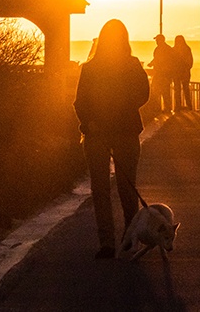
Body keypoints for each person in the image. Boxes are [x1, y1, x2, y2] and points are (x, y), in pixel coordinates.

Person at [73, 18, 151, 259]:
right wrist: (122, 108)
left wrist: (91, 121)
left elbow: (80, 102)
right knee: (127, 188)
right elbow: (143, 95)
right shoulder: (132, 65)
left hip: (97, 134)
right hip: (125, 131)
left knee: (101, 189)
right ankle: (129, 239)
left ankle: (107, 242)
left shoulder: (90, 68)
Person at [148, 34, 176, 113]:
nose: (156, 41)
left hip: (162, 73)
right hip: (165, 73)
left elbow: (159, 60)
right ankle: (166, 108)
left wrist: (152, 63)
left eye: (157, 40)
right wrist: (152, 63)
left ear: (161, 40)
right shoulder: (168, 49)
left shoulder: (161, 49)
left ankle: (158, 108)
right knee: (164, 91)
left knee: (157, 90)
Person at [172, 34, 194, 110]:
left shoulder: (174, 50)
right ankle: (188, 105)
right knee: (185, 89)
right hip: (184, 72)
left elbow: (171, 62)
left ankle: (178, 106)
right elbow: (190, 62)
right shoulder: (187, 49)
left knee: (178, 89)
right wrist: (187, 68)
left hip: (177, 72)